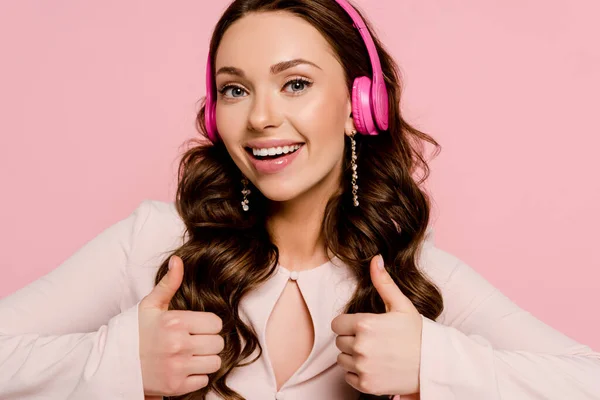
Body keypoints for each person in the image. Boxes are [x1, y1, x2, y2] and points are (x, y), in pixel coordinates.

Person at [1, 0, 599, 399]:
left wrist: (434, 366)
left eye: (295, 83)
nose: (261, 116)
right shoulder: (154, 244)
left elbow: (586, 379)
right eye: (235, 89)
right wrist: (118, 364)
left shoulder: (410, 273)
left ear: (358, 105)